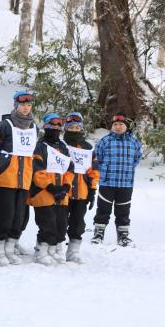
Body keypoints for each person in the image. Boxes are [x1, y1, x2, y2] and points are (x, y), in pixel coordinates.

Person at [0, 90, 38, 266]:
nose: (26, 108)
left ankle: (10, 248)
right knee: (5, 214)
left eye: (28, 105)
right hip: (6, 177)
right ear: (16, 105)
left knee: (18, 215)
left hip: (24, 178)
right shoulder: (5, 124)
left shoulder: (33, 126)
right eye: (22, 104)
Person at [29, 113, 74, 265]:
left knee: (61, 222)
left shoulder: (63, 147)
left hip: (62, 190)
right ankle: (41, 251)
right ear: (46, 126)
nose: (55, 128)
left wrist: (66, 186)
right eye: (52, 125)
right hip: (44, 191)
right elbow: (37, 170)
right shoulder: (39, 146)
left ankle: (54, 249)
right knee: (47, 221)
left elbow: (69, 168)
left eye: (58, 125)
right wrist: (51, 187)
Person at [92, 112, 142, 246]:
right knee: (103, 209)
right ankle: (98, 233)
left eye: (121, 124)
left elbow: (137, 158)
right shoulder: (105, 140)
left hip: (126, 183)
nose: (118, 127)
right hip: (107, 182)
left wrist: (127, 171)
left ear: (126, 126)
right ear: (112, 126)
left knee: (123, 210)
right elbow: (97, 158)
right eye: (115, 124)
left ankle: (123, 236)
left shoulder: (133, 141)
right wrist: (105, 171)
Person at [62, 112, 99, 262]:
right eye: (71, 127)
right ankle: (55, 248)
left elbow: (94, 170)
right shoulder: (61, 144)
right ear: (66, 128)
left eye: (77, 127)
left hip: (82, 191)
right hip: (64, 191)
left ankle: (73, 252)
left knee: (78, 223)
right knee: (59, 221)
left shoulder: (88, 147)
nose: (74, 129)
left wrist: (92, 190)